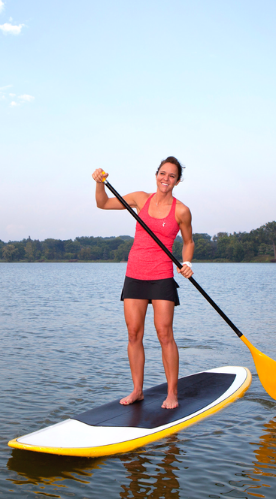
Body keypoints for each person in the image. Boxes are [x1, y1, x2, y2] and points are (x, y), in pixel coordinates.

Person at [92, 157, 194, 409]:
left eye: (172, 176)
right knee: (134, 333)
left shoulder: (181, 210)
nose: (166, 179)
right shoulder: (140, 198)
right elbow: (102, 204)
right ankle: (137, 390)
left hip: (161, 276)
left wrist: (187, 262)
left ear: (178, 181)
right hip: (135, 274)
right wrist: (99, 183)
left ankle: (172, 393)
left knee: (164, 334)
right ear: (156, 175)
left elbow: (189, 242)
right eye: (162, 173)